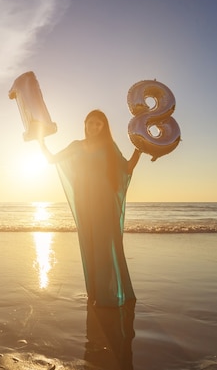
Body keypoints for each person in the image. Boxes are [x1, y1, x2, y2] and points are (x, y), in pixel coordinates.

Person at [39, 110, 141, 307]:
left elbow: (126, 169)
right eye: (91, 123)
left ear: (103, 127)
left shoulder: (109, 146)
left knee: (105, 247)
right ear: (85, 123)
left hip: (105, 202)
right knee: (90, 246)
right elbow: (52, 160)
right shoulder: (76, 146)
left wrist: (140, 149)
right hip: (85, 203)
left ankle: (107, 295)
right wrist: (41, 142)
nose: (94, 127)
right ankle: (94, 293)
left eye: (98, 124)